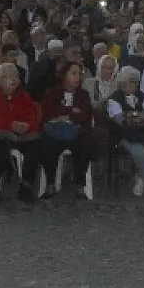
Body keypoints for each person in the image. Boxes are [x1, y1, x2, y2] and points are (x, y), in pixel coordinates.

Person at [0, 63, 42, 203]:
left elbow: (33, 116)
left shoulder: (24, 96)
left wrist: (27, 125)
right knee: (1, 148)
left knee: (35, 145)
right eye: (8, 77)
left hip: (21, 134)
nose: (13, 80)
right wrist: (9, 125)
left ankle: (26, 186)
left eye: (15, 77)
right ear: (0, 79)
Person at [39, 59, 95, 200]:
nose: (77, 77)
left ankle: (80, 185)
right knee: (48, 145)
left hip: (76, 131)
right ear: (64, 75)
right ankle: (50, 183)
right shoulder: (52, 92)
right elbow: (48, 112)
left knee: (84, 144)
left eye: (79, 74)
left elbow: (85, 115)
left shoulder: (83, 95)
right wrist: (70, 110)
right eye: (73, 73)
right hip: (55, 132)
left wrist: (65, 116)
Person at [106, 66, 144, 196]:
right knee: (140, 152)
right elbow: (119, 120)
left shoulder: (142, 96)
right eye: (132, 81)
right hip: (126, 134)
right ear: (122, 82)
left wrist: (133, 115)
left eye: (137, 81)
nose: (135, 84)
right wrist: (139, 116)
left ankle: (141, 178)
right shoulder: (114, 99)